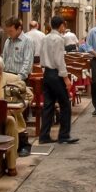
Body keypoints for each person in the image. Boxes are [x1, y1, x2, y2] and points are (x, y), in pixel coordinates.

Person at [39, 16, 78, 145]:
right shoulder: (59, 39)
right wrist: (66, 78)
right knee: (65, 104)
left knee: (48, 105)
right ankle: (64, 135)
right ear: (61, 25)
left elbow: (42, 57)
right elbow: (59, 60)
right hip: (56, 74)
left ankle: (44, 136)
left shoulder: (45, 38)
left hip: (47, 73)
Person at [1, 17, 34, 81]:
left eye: (11, 31)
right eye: (7, 31)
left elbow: (27, 62)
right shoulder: (8, 41)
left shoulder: (27, 41)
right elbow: (4, 58)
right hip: (6, 75)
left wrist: (19, 78)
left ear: (19, 29)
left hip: (19, 77)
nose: (9, 34)